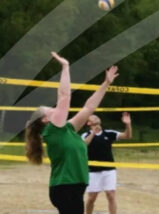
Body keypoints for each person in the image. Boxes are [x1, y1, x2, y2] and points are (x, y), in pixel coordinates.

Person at [24, 52, 119, 214]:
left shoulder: (66, 129)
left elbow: (89, 108)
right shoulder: (52, 131)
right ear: (46, 120)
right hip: (64, 188)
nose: (55, 108)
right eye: (50, 109)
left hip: (73, 187)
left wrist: (106, 83)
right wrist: (65, 67)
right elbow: (64, 96)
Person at [82, 112, 132, 214]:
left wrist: (128, 124)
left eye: (96, 116)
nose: (95, 117)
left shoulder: (108, 133)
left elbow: (127, 136)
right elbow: (84, 145)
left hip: (109, 169)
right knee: (91, 198)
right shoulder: (85, 135)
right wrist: (93, 133)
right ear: (88, 123)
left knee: (111, 195)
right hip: (92, 171)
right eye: (92, 117)